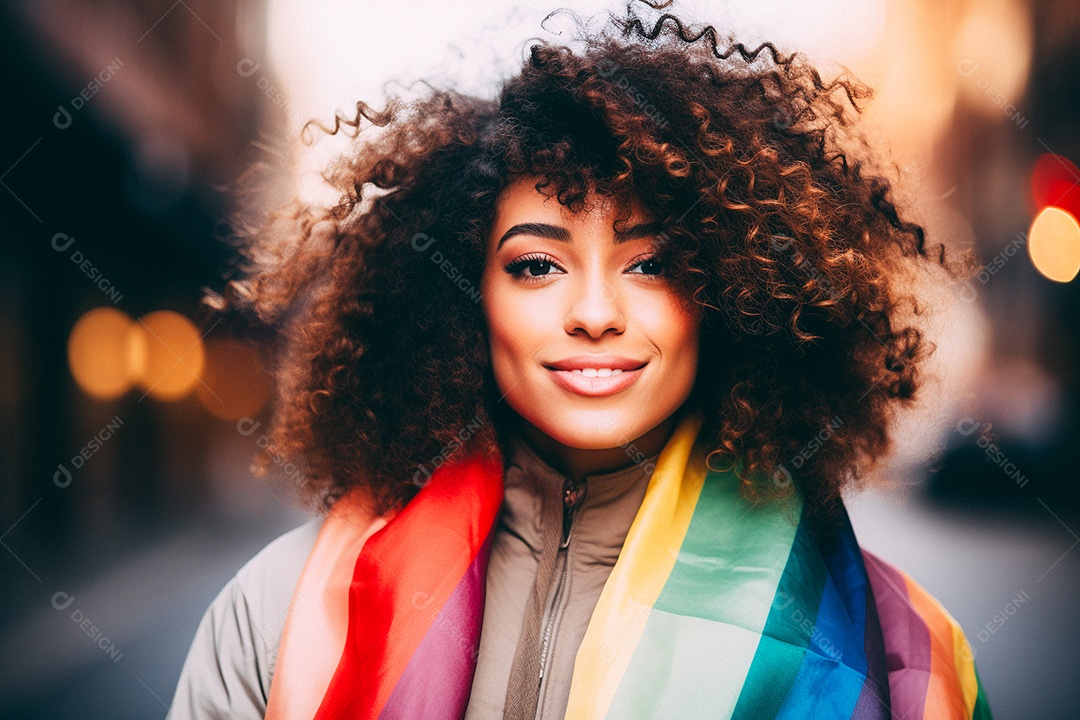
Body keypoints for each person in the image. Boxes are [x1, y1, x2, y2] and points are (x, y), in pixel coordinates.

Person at [167, 3, 993, 718]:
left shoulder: (905, 655)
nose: (594, 313)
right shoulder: (283, 616)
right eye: (536, 266)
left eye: (651, 263)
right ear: (464, 297)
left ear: (733, 293)